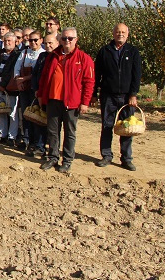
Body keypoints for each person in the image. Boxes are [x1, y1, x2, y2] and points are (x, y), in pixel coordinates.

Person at [37, 27, 95, 173]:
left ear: (76, 40)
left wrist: (85, 102)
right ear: (60, 40)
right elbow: (44, 77)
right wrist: (41, 96)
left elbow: (89, 82)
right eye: (64, 38)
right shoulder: (52, 56)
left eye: (70, 38)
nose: (67, 41)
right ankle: (53, 157)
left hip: (72, 101)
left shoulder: (83, 58)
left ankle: (67, 160)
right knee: (53, 131)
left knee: (70, 132)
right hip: (53, 99)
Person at [94, 23, 142, 171]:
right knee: (107, 126)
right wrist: (94, 92)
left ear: (127, 34)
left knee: (127, 127)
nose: (120, 34)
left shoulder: (133, 52)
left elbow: (137, 75)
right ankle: (106, 156)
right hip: (108, 95)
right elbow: (97, 73)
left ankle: (126, 159)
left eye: (123, 32)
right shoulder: (105, 51)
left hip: (127, 96)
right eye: (117, 32)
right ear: (113, 33)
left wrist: (133, 94)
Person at [26, 32, 58, 157]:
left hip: (52, 95)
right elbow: (36, 74)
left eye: (50, 43)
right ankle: (40, 146)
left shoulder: (58, 57)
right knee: (39, 120)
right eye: (46, 43)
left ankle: (52, 149)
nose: (48, 45)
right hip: (40, 93)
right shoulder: (43, 56)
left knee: (52, 124)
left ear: (57, 43)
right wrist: (36, 88)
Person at [0, 32, 21, 145]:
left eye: (9, 41)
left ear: (15, 42)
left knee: (12, 114)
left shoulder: (17, 55)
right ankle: (2, 135)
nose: (7, 43)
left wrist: (4, 85)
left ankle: (12, 137)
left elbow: (13, 72)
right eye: (5, 41)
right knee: (1, 112)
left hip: (10, 90)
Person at [15, 30, 45, 150]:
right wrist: (18, 81)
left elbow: (38, 73)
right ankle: (26, 139)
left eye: (35, 40)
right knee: (25, 115)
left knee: (35, 115)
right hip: (24, 88)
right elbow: (17, 68)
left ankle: (35, 142)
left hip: (35, 89)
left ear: (41, 40)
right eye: (30, 40)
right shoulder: (24, 52)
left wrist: (24, 79)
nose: (32, 42)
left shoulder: (43, 54)